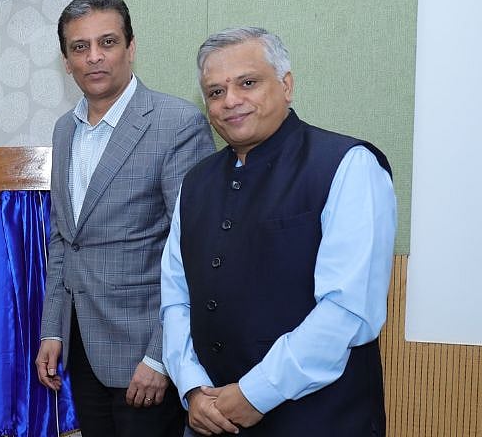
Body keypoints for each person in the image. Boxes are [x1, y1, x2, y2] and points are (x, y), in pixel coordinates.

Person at [161, 27, 396, 436]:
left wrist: (256, 392)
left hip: (319, 419)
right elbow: (176, 299)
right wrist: (193, 387)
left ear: (286, 85)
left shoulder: (348, 165)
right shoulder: (195, 183)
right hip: (209, 418)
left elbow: (346, 312)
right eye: (215, 92)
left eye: (247, 83)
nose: (230, 101)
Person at [34, 0, 214, 436]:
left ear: (131, 48)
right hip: (83, 348)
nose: (94, 57)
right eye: (80, 47)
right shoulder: (64, 129)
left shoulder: (176, 123)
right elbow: (64, 237)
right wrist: (52, 330)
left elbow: (194, 248)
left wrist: (162, 356)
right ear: (66, 59)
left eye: (108, 42)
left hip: (146, 357)